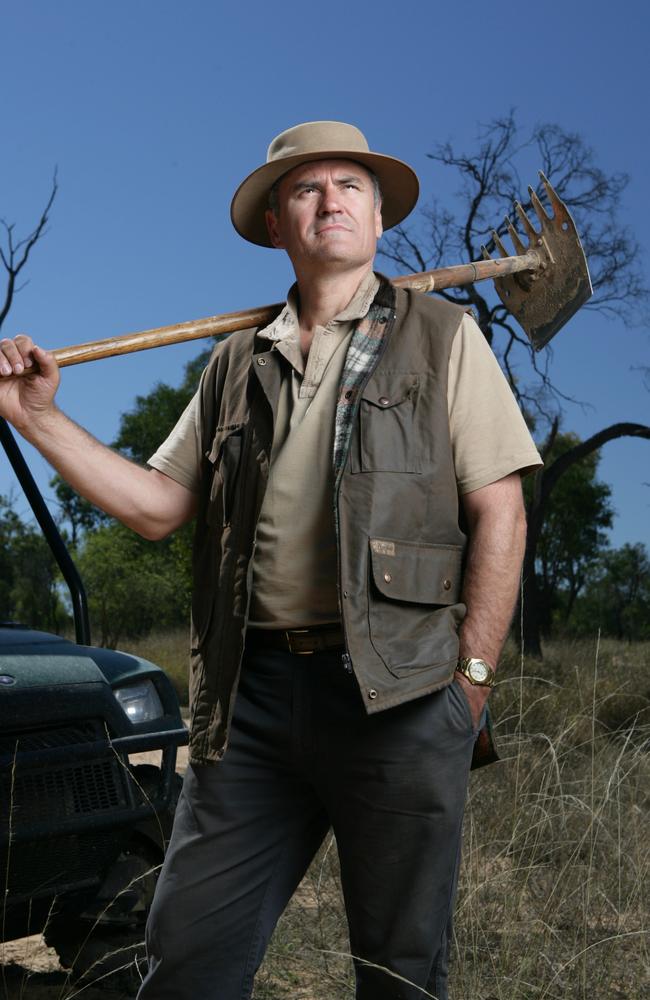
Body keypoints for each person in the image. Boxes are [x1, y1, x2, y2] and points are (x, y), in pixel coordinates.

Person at [0, 121, 542, 1000]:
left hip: (400, 697)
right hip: (252, 704)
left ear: (377, 219)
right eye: (306, 189)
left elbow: (500, 508)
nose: (331, 201)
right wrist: (35, 417)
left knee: (398, 971)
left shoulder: (443, 339)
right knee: (188, 959)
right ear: (275, 225)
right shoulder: (232, 365)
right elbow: (154, 507)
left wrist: (470, 682)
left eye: (350, 187)